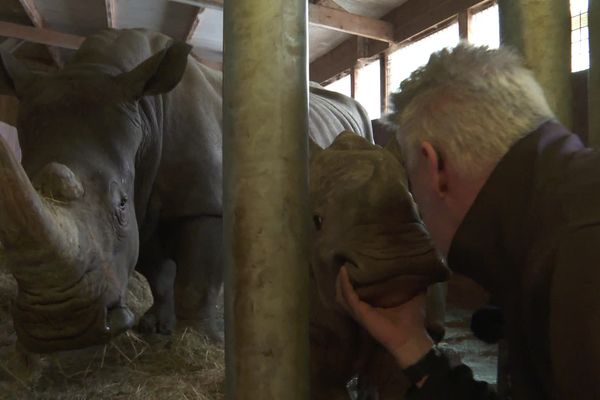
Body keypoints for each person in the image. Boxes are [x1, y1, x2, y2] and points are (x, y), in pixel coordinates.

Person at [336, 43, 600, 399]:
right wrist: (412, 346)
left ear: (435, 168)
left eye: (413, 188)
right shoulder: (557, 223)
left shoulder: (579, 258)